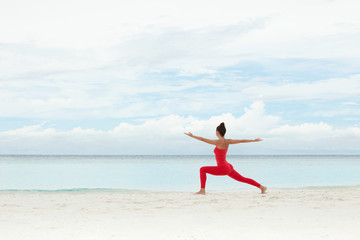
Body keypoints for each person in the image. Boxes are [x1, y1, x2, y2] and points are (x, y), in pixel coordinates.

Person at [184, 122, 267, 195]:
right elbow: (241, 140)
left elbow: (203, 139)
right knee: (243, 179)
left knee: (202, 169)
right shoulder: (228, 141)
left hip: (223, 168)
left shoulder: (217, 142)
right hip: (228, 167)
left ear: (217, 132)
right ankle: (262, 187)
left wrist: (192, 136)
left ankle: (202, 190)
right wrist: (253, 140)